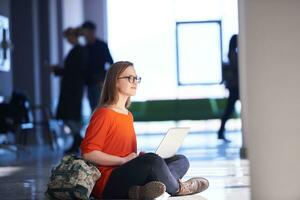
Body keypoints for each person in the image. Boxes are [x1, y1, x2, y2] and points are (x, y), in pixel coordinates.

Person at [80, 61, 209, 199]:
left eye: (137, 78)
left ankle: (139, 191)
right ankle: (179, 189)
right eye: (130, 78)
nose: (135, 82)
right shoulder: (104, 113)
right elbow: (89, 154)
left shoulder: (128, 115)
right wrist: (123, 160)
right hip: (108, 183)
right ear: (115, 81)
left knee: (181, 160)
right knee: (153, 161)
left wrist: (137, 158)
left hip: (127, 174)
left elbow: (122, 151)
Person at [52, 27, 86, 154]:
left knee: (70, 115)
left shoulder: (79, 51)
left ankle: (78, 140)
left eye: (68, 37)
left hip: (73, 89)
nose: (67, 40)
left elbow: (73, 71)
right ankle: (77, 139)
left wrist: (58, 70)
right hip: (71, 88)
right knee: (69, 115)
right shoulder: (76, 51)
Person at [80, 21, 114, 111]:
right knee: (94, 109)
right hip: (89, 83)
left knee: (101, 109)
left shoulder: (101, 45)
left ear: (92, 31)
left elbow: (111, 63)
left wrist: (104, 80)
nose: (84, 34)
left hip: (99, 83)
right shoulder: (85, 48)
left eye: (85, 31)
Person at [218, 34, 239, 142]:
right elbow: (237, 68)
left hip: (234, 87)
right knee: (228, 110)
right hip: (235, 87)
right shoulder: (233, 54)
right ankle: (220, 132)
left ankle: (221, 132)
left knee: (228, 110)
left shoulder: (232, 54)